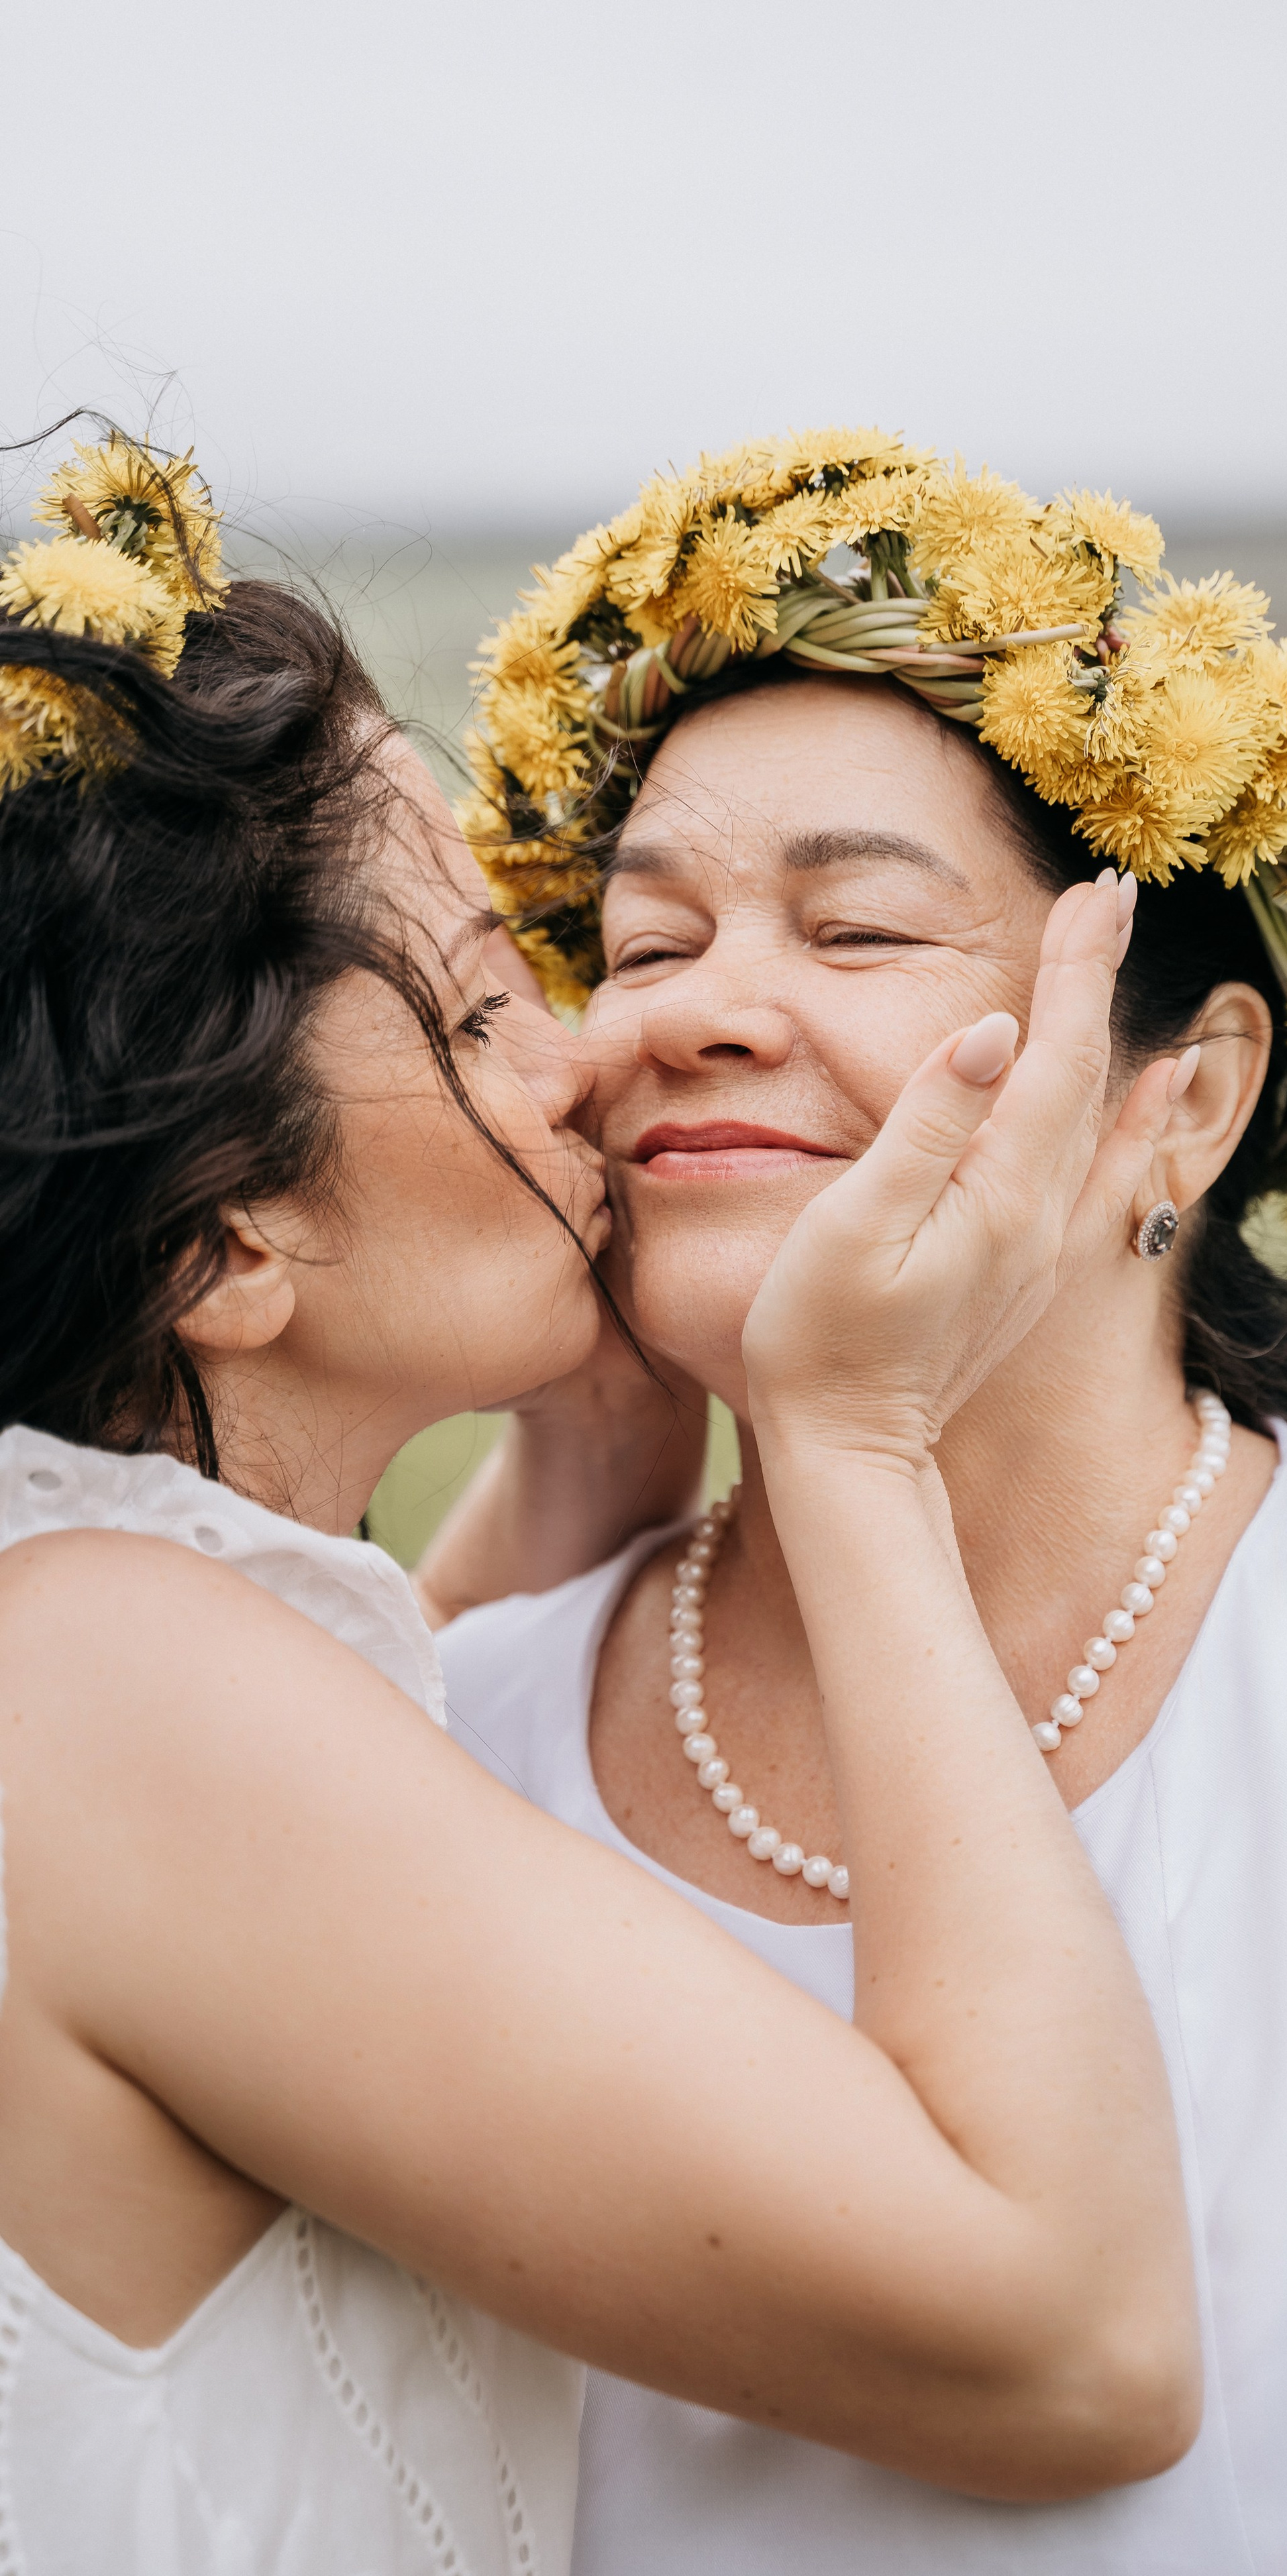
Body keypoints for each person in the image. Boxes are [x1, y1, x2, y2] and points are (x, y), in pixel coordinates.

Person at [423, 427, 1287, 2575]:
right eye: (642, 952)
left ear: (1182, 1102)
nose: (704, 1016)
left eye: (854, 926)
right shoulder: (468, 1720)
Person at [0, 435, 1209, 2571]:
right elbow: (1071, 2341)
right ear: (223, 1250)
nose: (591, 1059)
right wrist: (848, 1446)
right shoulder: (91, 1683)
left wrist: (580, 1459)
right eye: (477, 1001)